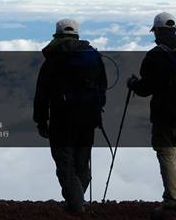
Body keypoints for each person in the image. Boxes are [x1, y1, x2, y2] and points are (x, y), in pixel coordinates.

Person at [127, 12, 176, 215]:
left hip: (165, 113)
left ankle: (172, 202)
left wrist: (134, 84)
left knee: (166, 153)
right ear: (174, 29)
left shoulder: (156, 55)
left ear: (158, 31)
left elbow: (145, 89)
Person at [33, 18, 107, 213]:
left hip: (62, 120)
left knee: (65, 163)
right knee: (81, 162)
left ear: (57, 35)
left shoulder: (53, 59)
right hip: (89, 119)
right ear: (77, 34)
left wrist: (41, 120)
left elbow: (42, 93)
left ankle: (75, 205)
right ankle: (78, 200)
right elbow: (103, 86)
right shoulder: (92, 56)